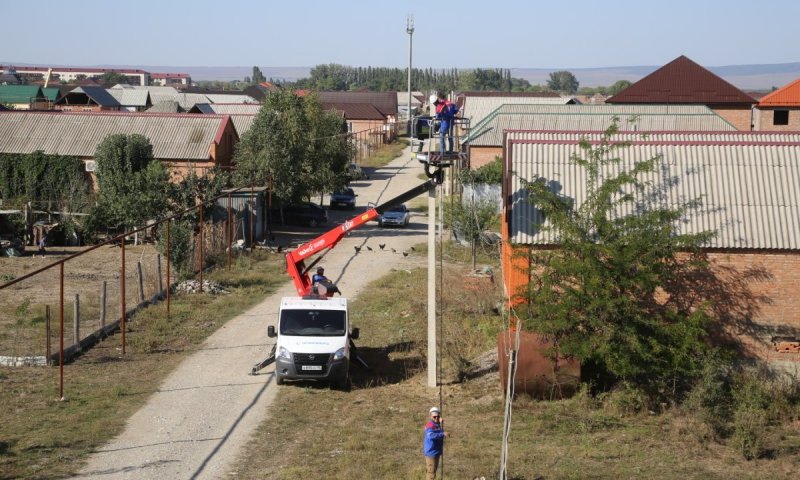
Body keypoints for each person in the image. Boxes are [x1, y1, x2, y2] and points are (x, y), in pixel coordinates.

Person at [423, 406, 449, 480]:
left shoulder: (436, 424)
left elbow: (437, 430)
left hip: (436, 452)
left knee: (433, 471)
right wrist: (442, 434)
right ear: (430, 416)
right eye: (434, 417)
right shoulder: (430, 425)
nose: (436, 418)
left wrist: (440, 424)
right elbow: (431, 435)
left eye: (438, 416)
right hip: (431, 453)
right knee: (431, 473)